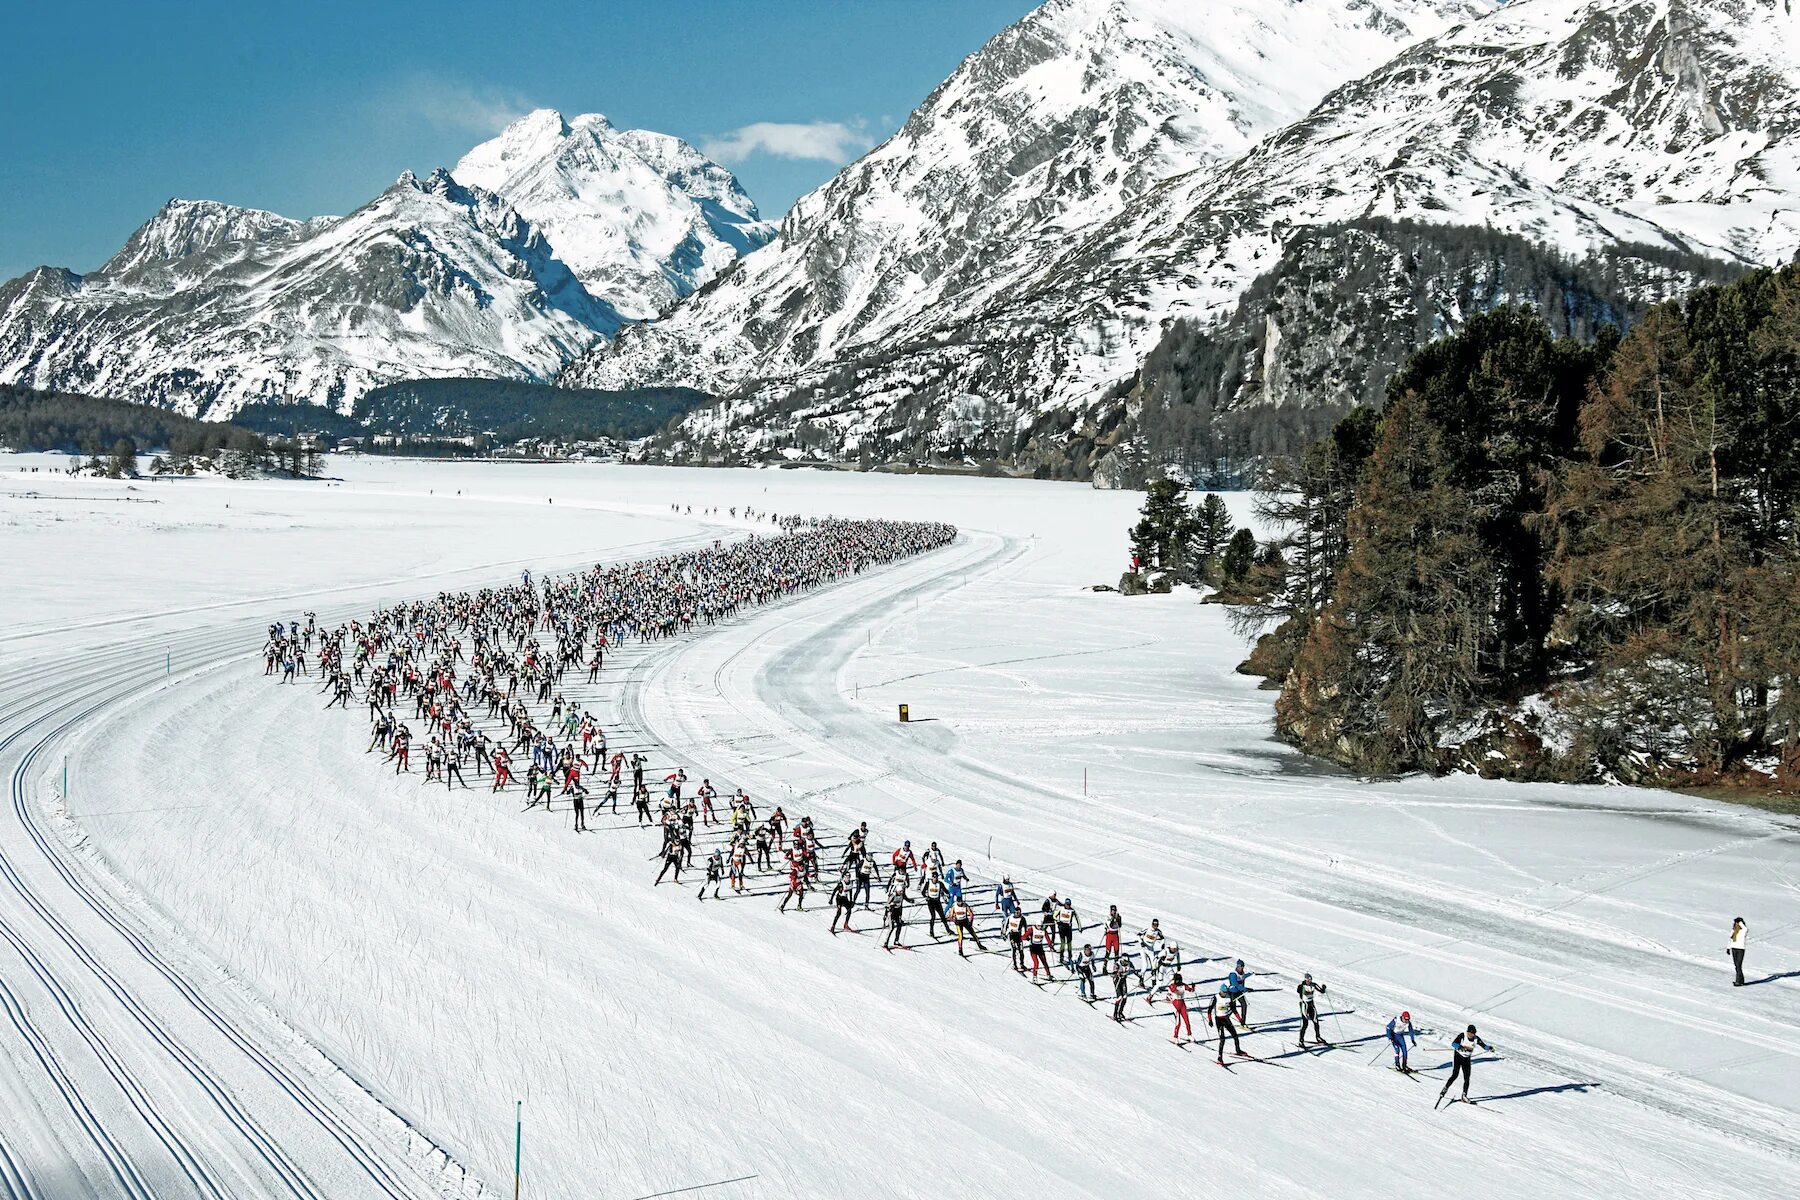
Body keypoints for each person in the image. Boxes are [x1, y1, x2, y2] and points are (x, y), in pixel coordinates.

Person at [1438, 1025, 1494, 1106]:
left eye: (1473, 1033)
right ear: (1467, 1032)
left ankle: (1464, 1096)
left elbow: (1484, 1046)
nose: (1471, 1035)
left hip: (1466, 1059)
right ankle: (1445, 1089)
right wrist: (1460, 1047)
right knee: (1455, 1075)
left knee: (1467, 1078)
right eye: (1470, 1033)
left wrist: (1489, 1048)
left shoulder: (1476, 1039)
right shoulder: (1462, 1036)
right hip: (1458, 1057)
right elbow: (1453, 1044)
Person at [1207, 986, 1246, 1063]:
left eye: (1226, 992)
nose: (1225, 994)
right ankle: (1219, 1057)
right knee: (1222, 1039)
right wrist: (1210, 1020)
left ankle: (1238, 1050)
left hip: (1226, 1019)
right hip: (1219, 1019)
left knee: (1235, 1035)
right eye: (1224, 992)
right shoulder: (1215, 997)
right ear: (1220, 991)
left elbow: (1234, 1009)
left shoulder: (1229, 997)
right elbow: (1209, 1010)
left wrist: (1240, 1019)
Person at [1296, 973, 1329, 1048]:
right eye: (1308, 980)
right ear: (1305, 979)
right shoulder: (1302, 986)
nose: (1309, 981)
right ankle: (1301, 1041)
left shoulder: (1314, 985)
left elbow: (1322, 991)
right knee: (1305, 1023)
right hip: (1304, 1005)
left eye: (1310, 980)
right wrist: (1301, 988)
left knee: (1316, 1021)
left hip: (1311, 1004)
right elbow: (1298, 991)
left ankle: (1318, 1037)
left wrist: (1324, 988)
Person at [1167, 973, 1196, 1042]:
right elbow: (1173, 990)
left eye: (1179, 980)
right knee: (1178, 1022)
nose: (1178, 982)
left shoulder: (1183, 985)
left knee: (1187, 1021)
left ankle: (1189, 1035)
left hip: (1182, 1004)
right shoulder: (1172, 985)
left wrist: (1193, 987)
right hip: (1175, 1005)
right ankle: (1175, 1037)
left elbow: (1190, 990)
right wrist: (1177, 987)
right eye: (1177, 980)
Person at [1729, 917, 1748, 986]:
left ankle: (1738, 981)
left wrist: (1740, 922)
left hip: (1740, 949)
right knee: (1736, 965)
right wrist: (1728, 947)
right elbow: (1730, 939)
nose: (1736, 924)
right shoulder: (1733, 930)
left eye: (1737, 923)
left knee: (1738, 965)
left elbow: (1746, 929)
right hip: (1734, 948)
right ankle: (1741, 980)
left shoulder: (1743, 931)